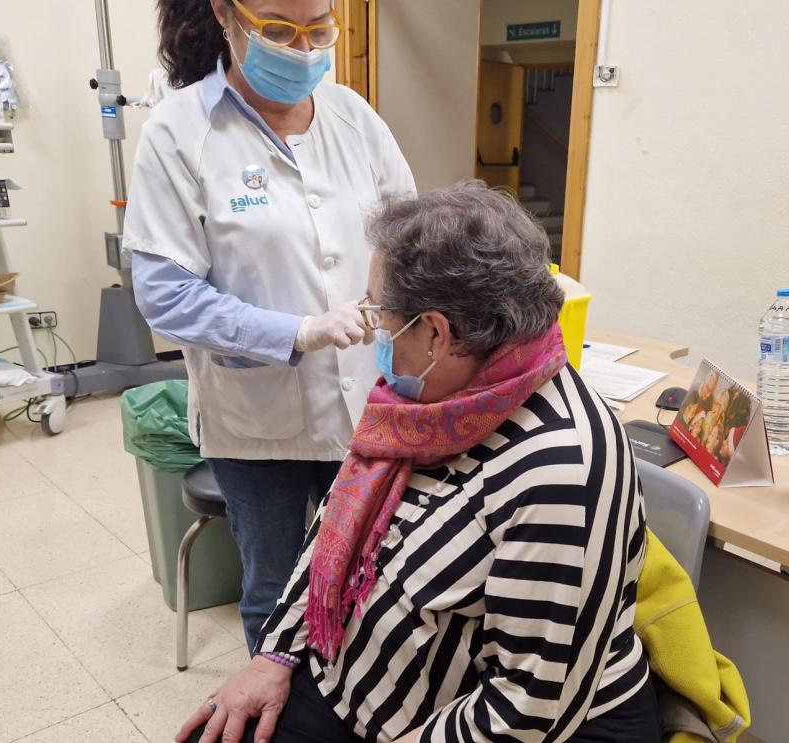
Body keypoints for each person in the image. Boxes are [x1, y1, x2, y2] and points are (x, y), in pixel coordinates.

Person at [178, 181, 660, 743]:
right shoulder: (423, 402)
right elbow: (332, 527)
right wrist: (278, 653)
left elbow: (528, 708)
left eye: (379, 312)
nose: (372, 328)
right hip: (360, 678)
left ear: (436, 332)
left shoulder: (560, 471)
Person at [123, 0, 414, 651]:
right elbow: (167, 294)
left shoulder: (355, 119)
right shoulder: (179, 133)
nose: (305, 49)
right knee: (275, 591)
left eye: (321, 29)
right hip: (255, 424)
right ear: (227, 16)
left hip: (366, 407)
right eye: (281, 31)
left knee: (369, 581)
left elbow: (408, 234)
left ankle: (355, 705)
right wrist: (296, 332)